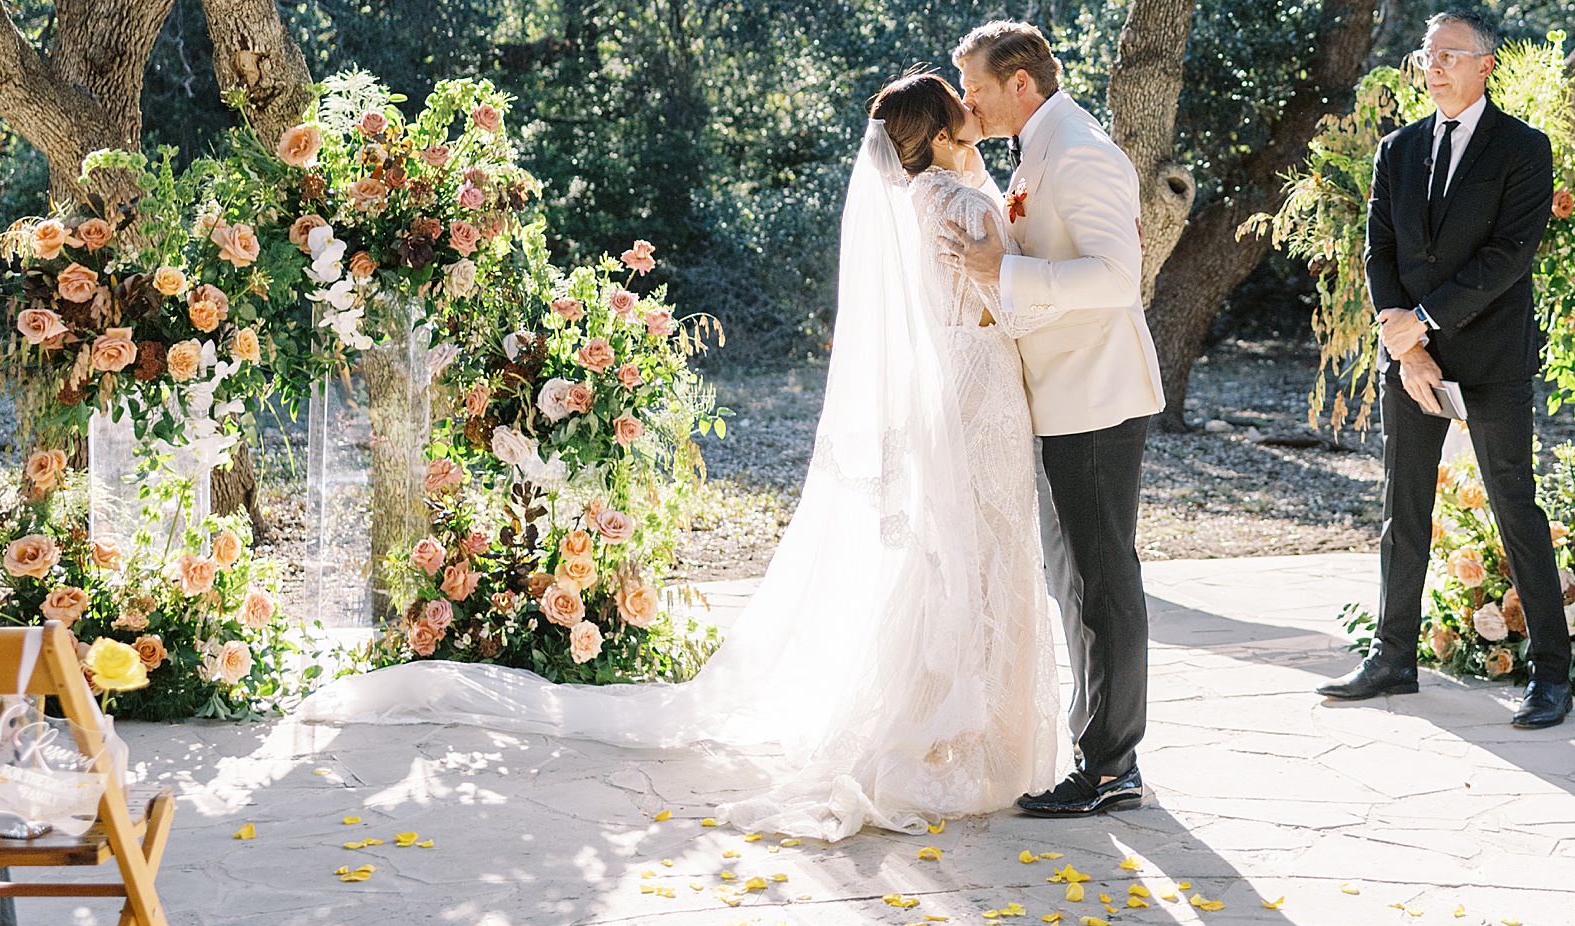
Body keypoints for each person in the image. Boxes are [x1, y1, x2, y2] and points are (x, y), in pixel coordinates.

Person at [298, 74, 1064, 839]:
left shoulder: (911, 207)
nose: (971, 111)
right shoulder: (967, 206)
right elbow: (1007, 300)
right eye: (956, 107)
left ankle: (945, 715)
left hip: (946, 396)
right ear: (935, 136)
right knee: (988, 550)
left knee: (950, 557)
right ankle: (977, 729)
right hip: (983, 393)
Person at [938, 20, 1166, 817]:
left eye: (975, 87)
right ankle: (1097, 747)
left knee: (1104, 578)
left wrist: (1008, 270)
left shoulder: (1081, 150)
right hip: (1063, 393)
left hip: (1098, 394)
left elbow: (1117, 279)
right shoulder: (1041, 145)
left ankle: (1112, 766)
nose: (967, 101)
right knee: (1075, 577)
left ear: (1021, 84)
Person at [1323, 8, 1572, 728]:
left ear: (1485, 63)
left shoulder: (1524, 148)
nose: (1433, 69)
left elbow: (1507, 257)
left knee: (1514, 508)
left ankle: (1550, 672)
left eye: (1448, 56)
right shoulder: (1397, 149)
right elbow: (1380, 253)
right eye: (1426, 56)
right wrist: (1405, 343)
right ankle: (1393, 655)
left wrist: (1424, 321)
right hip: (1410, 362)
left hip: (1492, 360)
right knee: (1404, 509)